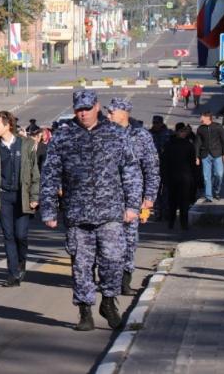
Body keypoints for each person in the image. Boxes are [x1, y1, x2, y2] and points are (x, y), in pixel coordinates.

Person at [40, 90, 142, 331]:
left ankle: (108, 302)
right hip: (77, 213)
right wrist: (48, 210)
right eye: (78, 109)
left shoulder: (115, 134)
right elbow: (50, 174)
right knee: (81, 266)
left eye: (87, 108)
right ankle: (85, 312)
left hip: (111, 212)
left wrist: (133, 205)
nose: (83, 113)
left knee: (113, 260)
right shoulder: (63, 136)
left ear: (97, 106)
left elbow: (130, 170)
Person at [106, 98, 160, 296]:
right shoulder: (104, 133)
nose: (108, 115)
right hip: (106, 197)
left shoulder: (141, 135)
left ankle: (125, 279)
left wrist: (149, 196)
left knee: (129, 240)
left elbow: (151, 167)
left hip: (133, 197)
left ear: (124, 112)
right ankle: (110, 277)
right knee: (107, 240)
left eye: (112, 111)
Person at [0, 110, 40, 287]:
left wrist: (34, 196)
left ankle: (22, 261)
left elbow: (35, 173)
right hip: (3, 197)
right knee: (8, 236)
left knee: (21, 235)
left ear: (8, 125)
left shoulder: (26, 144)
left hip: (22, 196)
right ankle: (13, 274)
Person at [162, 126, 196, 230]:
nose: (183, 133)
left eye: (184, 131)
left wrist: (193, 178)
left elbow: (192, 163)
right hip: (172, 177)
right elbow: (164, 162)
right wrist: (164, 177)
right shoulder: (169, 144)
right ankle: (171, 222)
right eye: (181, 131)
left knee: (184, 201)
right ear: (176, 132)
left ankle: (183, 223)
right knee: (172, 201)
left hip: (185, 177)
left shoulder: (188, 145)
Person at [195, 111, 224, 202]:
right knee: (206, 177)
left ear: (207, 118)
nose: (200, 119)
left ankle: (216, 190)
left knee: (219, 174)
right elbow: (197, 143)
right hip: (205, 155)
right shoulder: (200, 129)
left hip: (217, 154)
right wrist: (197, 156)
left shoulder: (218, 127)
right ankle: (208, 196)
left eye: (201, 117)